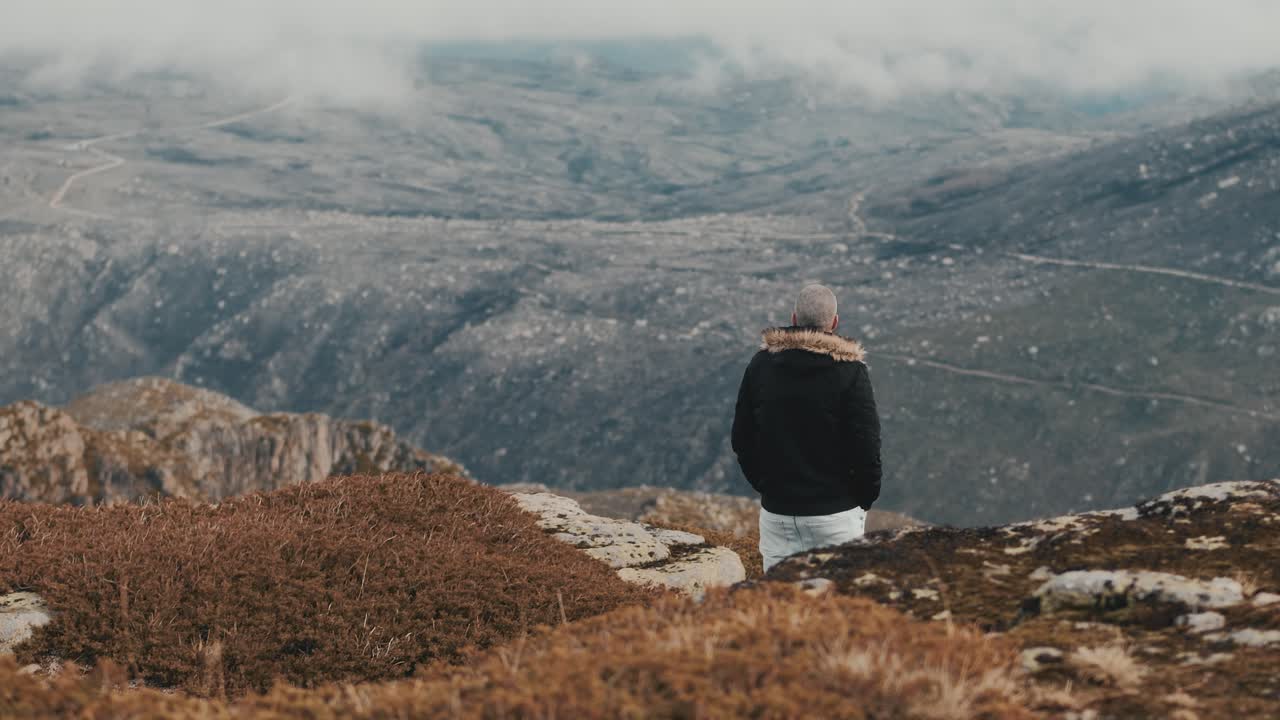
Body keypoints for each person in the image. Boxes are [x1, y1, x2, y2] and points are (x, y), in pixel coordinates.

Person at [731, 284, 882, 573]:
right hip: (836, 513)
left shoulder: (761, 365)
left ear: (794, 317)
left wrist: (767, 487)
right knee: (837, 607)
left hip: (778, 513)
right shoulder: (850, 372)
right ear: (834, 323)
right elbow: (866, 445)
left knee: (780, 604)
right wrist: (863, 499)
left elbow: (742, 438)